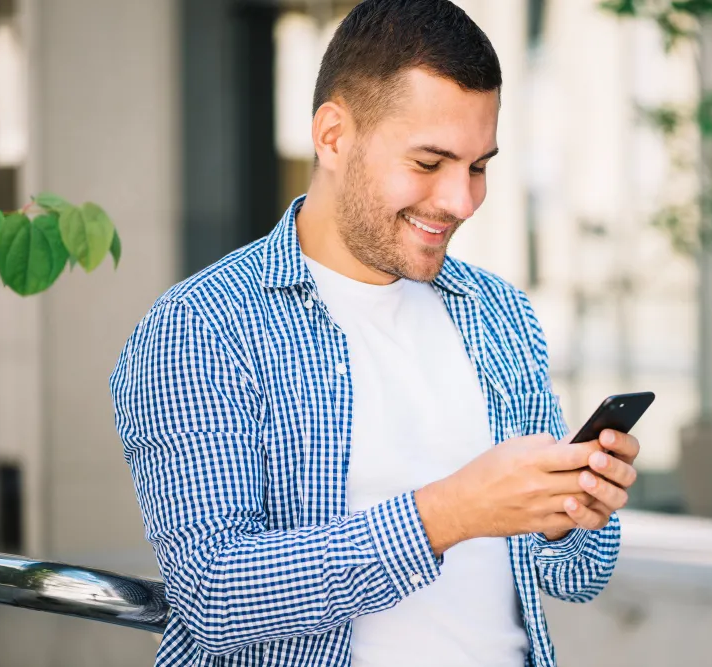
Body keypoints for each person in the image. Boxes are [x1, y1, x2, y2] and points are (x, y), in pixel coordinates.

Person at [109, 1, 640, 665]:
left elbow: (573, 577)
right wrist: (449, 512)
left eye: (478, 166)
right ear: (333, 136)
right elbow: (212, 595)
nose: (462, 200)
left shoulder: (499, 311)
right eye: (429, 163)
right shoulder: (203, 327)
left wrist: (570, 514)